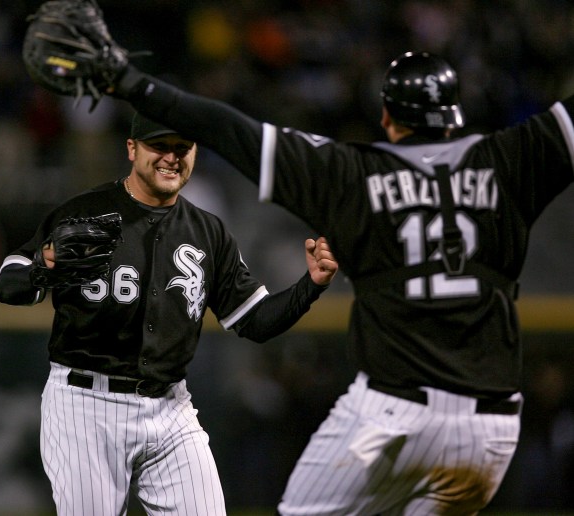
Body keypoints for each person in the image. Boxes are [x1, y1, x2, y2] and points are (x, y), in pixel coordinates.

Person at [54, 45, 574, 515]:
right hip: (493, 426)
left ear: (388, 117)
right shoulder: (512, 160)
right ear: (455, 117)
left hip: (392, 415)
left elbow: (231, 131)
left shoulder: (355, 173)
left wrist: (126, 79)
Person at [0, 112, 338, 515]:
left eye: (182, 147)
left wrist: (310, 285)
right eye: (160, 145)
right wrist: (44, 264)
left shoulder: (208, 232)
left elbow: (257, 321)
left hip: (171, 407)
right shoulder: (83, 213)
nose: (172, 157)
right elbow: (9, 284)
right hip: (86, 406)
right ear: (132, 149)